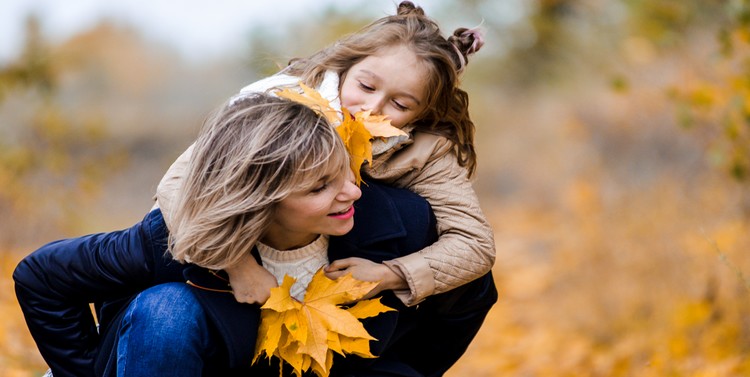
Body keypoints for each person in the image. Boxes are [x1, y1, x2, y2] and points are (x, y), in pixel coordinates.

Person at [14, 94, 496, 377]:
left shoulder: (401, 221)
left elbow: (472, 290)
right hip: (188, 361)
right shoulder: (171, 234)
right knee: (167, 309)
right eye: (319, 187)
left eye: (344, 171)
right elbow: (40, 277)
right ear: (258, 199)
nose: (352, 191)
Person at [157, 1, 496, 312]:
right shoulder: (281, 105)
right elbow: (176, 186)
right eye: (365, 86)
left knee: (430, 234)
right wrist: (238, 265)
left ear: (421, 115)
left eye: (400, 105)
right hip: (226, 260)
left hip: (329, 282)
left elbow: (474, 243)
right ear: (345, 68)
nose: (372, 106)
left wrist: (388, 275)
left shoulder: (424, 151)